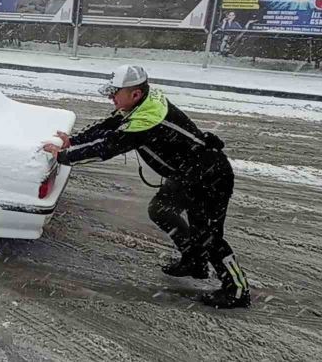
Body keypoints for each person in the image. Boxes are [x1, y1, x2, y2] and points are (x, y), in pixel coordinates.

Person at [43, 65, 251, 309]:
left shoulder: (146, 120)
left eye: (115, 93)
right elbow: (110, 124)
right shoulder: (142, 103)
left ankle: (237, 290)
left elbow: (106, 148)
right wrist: (74, 140)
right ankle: (194, 261)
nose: (111, 97)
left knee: (208, 236)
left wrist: (64, 156)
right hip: (187, 173)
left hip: (208, 176)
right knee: (161, 209)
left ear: (135, 94)